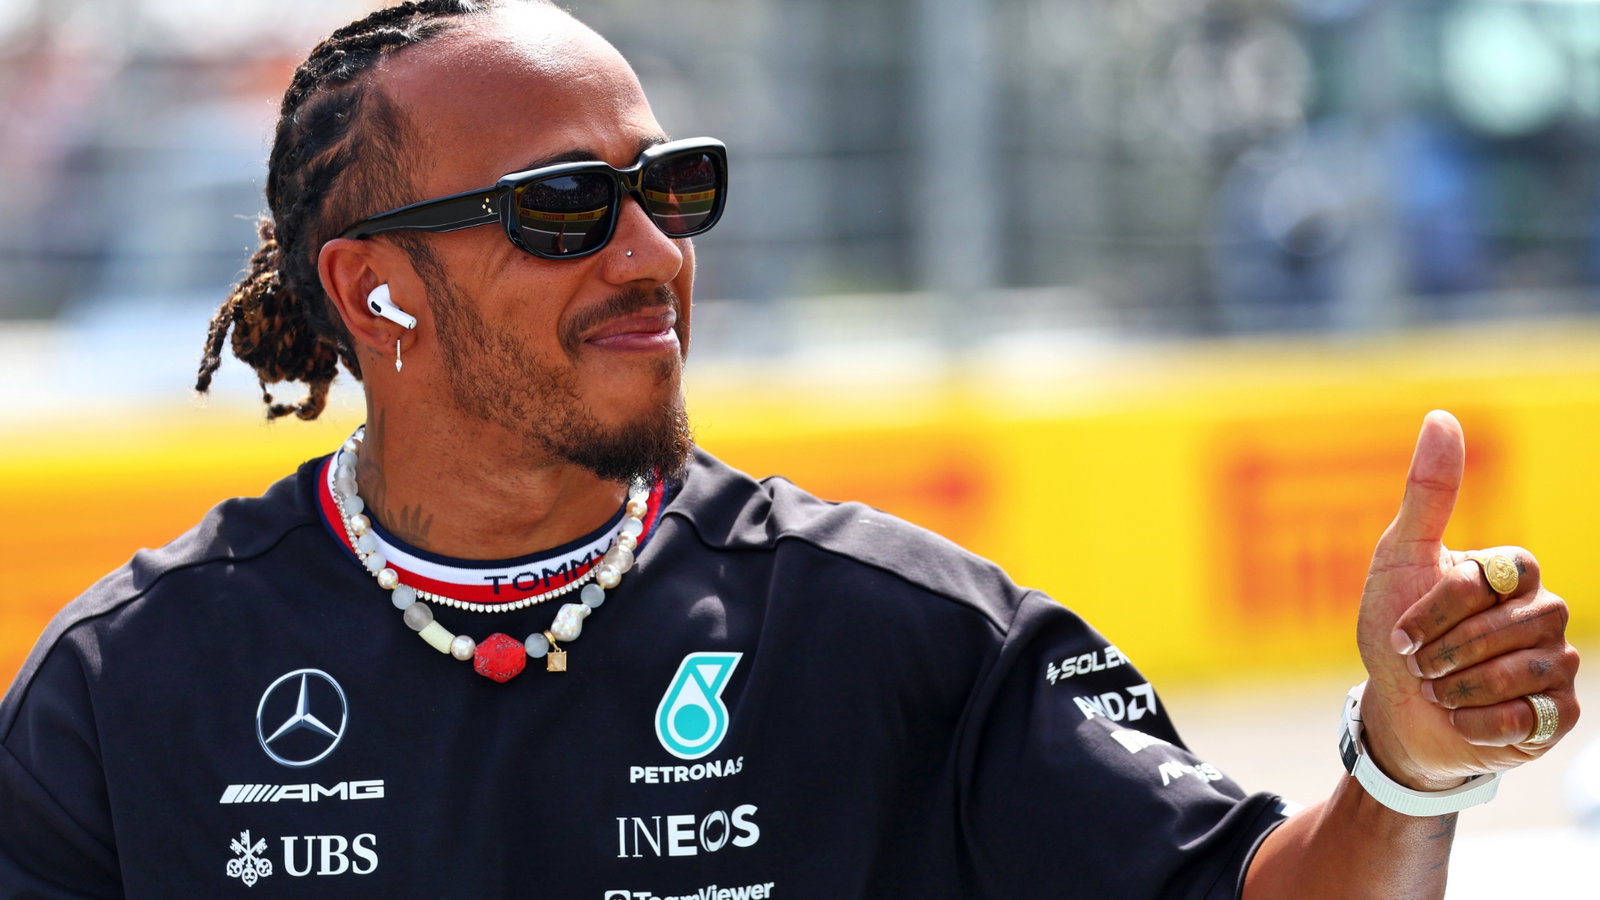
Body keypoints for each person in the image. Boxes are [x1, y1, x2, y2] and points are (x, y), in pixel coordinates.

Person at [0, 1, 1579, 896]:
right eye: (563, 210)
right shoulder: (123, 692)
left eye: (670, 187)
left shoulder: (903, 636)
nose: (648, 253)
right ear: (376, 289)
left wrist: (1407, 770)